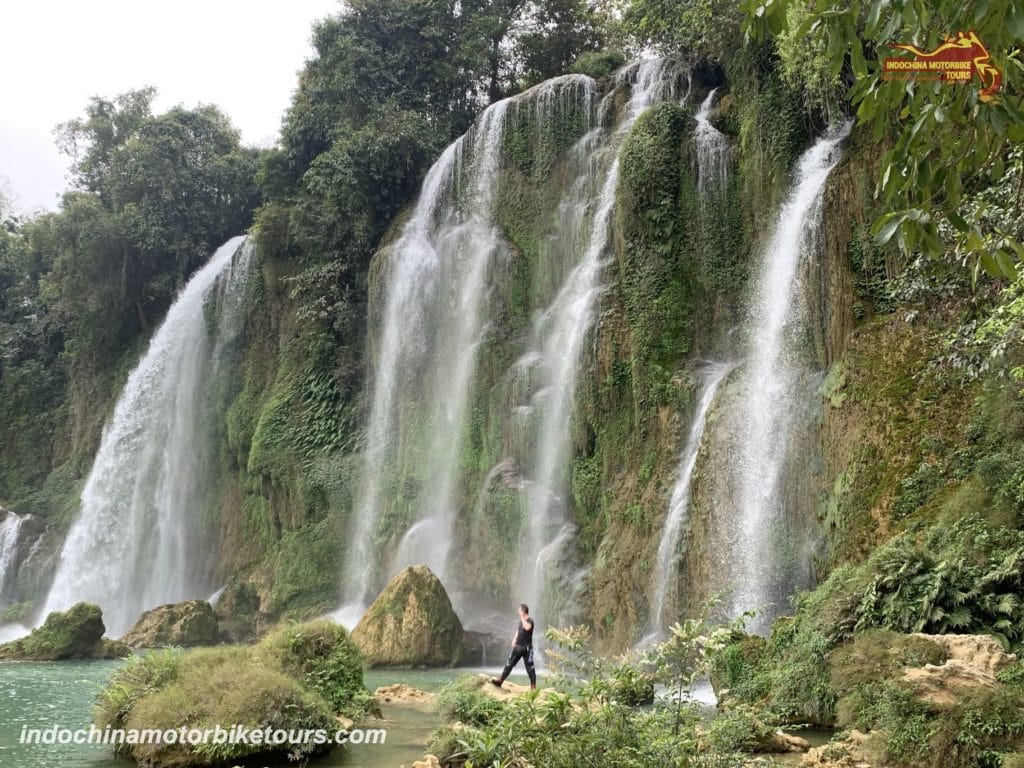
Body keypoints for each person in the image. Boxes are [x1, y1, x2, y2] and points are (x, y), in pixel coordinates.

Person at [491, 603, 536, 689]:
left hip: (527, 649)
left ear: (523, 611)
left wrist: (523, 618)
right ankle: (500, 681)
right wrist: (514, 639)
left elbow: (527, 628)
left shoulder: (530, 621)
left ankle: (533, 688)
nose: (518, 612)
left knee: (530, 668)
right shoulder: (520, 622)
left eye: (519, 610)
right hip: (518, 647)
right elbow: (519, 631)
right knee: (509, 664)